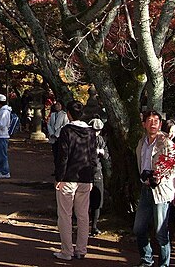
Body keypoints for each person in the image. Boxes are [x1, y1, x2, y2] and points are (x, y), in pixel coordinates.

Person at [133, 109, 175, 267]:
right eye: (149, 120)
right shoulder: (141, 142)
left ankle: (164, 264)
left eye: (156, 121)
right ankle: (147, 258)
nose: (153, 124)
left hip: (161, 191)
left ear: (160, 124)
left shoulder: (166, 143)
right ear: (144, 124)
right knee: (139, 228)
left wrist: (161, 176)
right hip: (145, 189)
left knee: (160, 232)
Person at [52, 100, 97, 260]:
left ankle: (66, 251)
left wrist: (59, 177)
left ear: (69, 114)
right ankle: (81, 249)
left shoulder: (67, 131)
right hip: (85, 177)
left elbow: (63, 155)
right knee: (83, 215)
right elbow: (93, 157)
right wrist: (92, 177)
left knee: (65, 214)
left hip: (68, 177)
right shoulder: (91, 132)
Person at [88, 117, 107, 236]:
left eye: (98, 130)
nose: (96, 132)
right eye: (94, 130)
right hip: (85, 172)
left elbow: (106, 155)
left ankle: (94, 226)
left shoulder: (101, 140)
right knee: (83, 200)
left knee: (97, 201)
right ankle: (82, 225)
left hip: (97, 172)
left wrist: (102, 152)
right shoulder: (85, 139)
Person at [48, 101, 69, 175]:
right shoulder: (52, 114)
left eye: (58, 104)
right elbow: (49, 124)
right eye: (56, 104)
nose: (57, 106)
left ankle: (61, 170)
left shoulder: (64, 115)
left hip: (60, 137)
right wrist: (51, 133)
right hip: (53, 137)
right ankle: (56, 169)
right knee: (55, 154)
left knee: (61, 155)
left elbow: (64, 125)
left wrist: (57, 134)